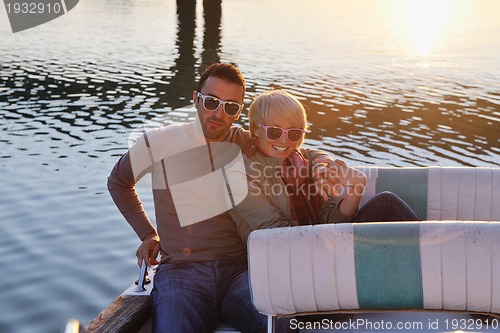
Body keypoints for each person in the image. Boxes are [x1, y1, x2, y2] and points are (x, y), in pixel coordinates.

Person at [108, 64, 329, 333]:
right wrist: (147, 234)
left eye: (230, 107)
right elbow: (119, 182)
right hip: (181, 272)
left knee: (285, 327)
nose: (218, 113)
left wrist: (323, 163)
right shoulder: (158, 142)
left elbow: (298, 148)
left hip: (240, 271)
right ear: (195, 99)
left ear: (238, 111)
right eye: (211, 102)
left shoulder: (247, 142)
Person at [229, 89, 420, 244]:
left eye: (294, 133)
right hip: (286, 260)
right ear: (254, 129)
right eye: (274, 131)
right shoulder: (240, 176)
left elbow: (333, 221)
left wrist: (357, 187)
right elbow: (278, 235)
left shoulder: (302, 161)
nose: (284, 140)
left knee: (386, 203)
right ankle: (436, 258)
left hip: (323, 246)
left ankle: (434, 261)